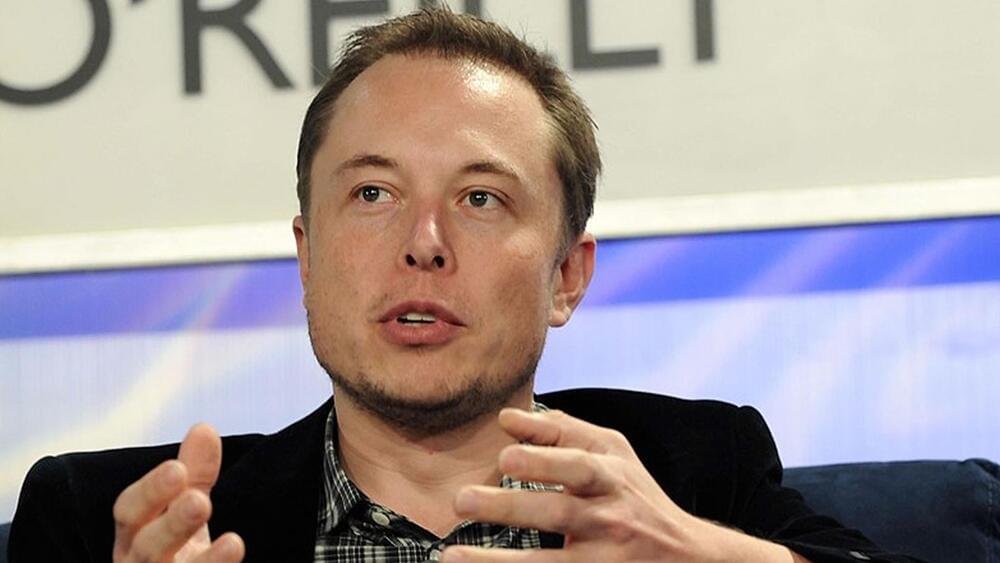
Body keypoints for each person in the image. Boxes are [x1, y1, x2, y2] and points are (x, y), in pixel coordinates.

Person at [9, 8, 921, 563]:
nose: (424, 245)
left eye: (481, 198)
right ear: (306, 257)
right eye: (373, 193)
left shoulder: (691, 472)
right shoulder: (110, 522)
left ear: (567, 276)